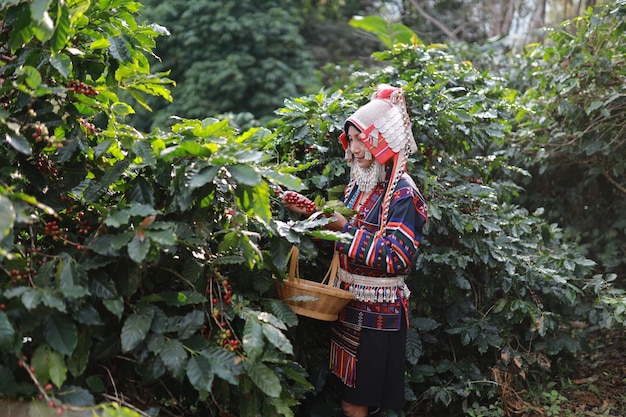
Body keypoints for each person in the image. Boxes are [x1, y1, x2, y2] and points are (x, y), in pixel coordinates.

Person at [283, 85, 428, 417]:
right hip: (349, 304)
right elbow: (342, 240)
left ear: (384, 142)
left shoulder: (404, 194)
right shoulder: (359, 184)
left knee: (355, 403)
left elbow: (396, 257)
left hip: (377, 315)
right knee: (351, 400)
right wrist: (311, 220)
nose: (355, 148)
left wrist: (343, 229)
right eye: (351, 139)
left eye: (363, 139)